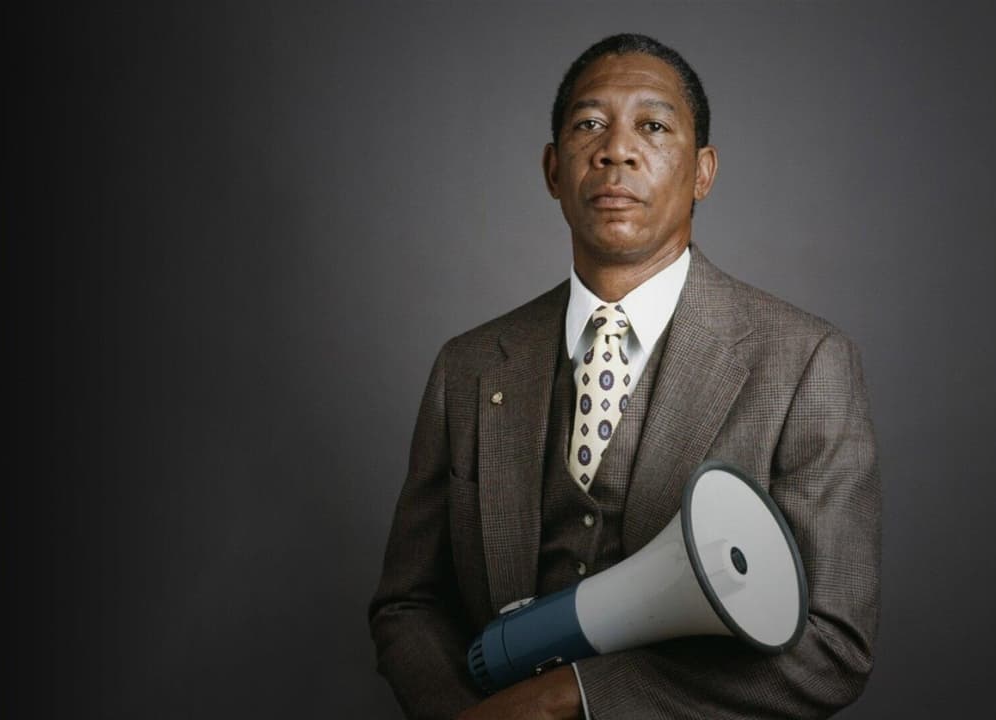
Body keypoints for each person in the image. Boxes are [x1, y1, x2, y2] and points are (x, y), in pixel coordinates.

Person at [369, 33, 881, 720]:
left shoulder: (807, 362)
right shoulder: (466, 366)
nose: (617, 150)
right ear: (554, 170)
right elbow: (409, 603)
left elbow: (831, 646)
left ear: (703, 173)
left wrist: (571, 699)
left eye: (654, 126)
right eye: (589, 124)